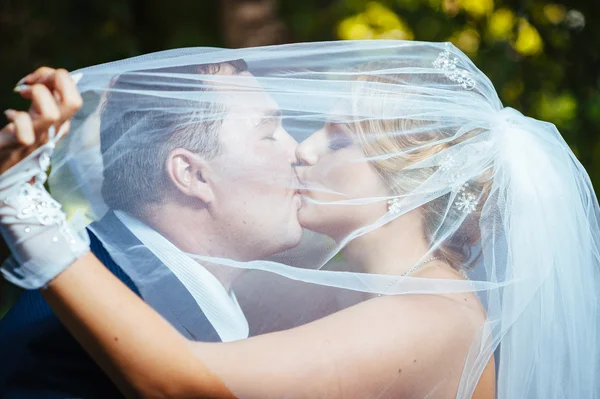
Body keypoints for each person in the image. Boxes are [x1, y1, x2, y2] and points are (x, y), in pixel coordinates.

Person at [1, 41, 598, 399]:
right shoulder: (335, 293)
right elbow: (170, 246)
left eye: (338, 141)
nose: (303, 150)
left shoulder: (429, 318)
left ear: (408, 187)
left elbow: (185, 383)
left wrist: (24, 206)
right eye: (281, 130)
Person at [0, 58, 302, 398]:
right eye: (270, 134)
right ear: (193, 175)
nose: (300, 152)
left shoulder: (128, 279)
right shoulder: (66, 343)